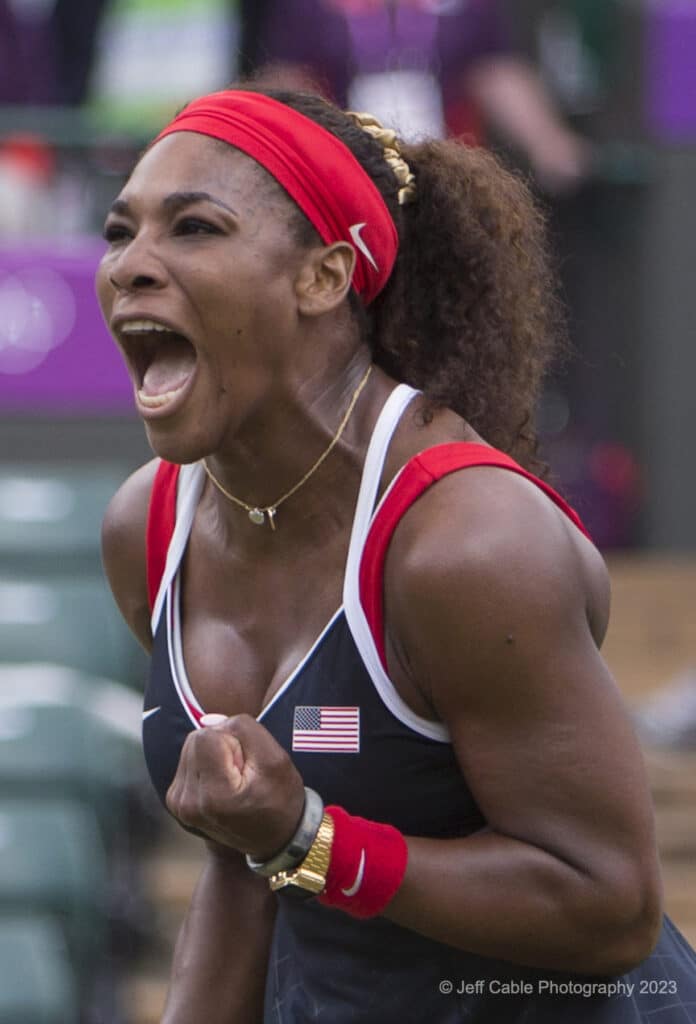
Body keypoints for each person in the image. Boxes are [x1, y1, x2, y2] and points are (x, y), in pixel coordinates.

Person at [98, 86, 696, 1023]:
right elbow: (242, 869)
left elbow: (608, 903)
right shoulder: (148, 526)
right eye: (120, 232)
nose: (131, 266)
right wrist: (279, 843)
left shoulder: (466, 545)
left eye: (194, 228)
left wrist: (312, 840)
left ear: (324, 276)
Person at [239, 0, 591, 193]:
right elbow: (288, 78)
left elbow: (496, 71)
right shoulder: (309, 7)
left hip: (448, 171)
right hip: (347, 173)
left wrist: (548, 142)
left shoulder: (469, 7)